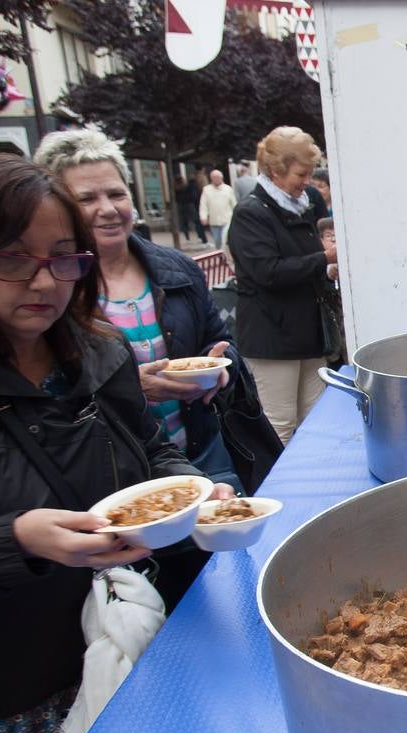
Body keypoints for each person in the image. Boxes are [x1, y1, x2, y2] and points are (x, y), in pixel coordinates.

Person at [0, 155, 232, 733]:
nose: (44, 283)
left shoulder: (97, 349)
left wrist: (195, 491)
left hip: (82, 640)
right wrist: (12, 539)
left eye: (62, 259)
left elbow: (145, 444)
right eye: (12, 260)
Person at [34, 128, 248, 606]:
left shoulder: (175, 268)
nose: (107, 208)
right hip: (111, 484)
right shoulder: (49, 291)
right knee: (139, 605)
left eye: (116, 193)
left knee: (217, 584)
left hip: (192, 450)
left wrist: (219, 369)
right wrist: (134, 385)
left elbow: (223, 341)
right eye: (86, 197)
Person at [227, 126, 333, 445]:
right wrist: (324, 259)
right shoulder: (250, 213)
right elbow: (268, 272)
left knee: (316, 419)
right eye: (301, 174)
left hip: (305, 333)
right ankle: (280, 493)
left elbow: (301, 262)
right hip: (272, 337)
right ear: (275, 170)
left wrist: (326, 271)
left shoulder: (296, 206)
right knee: (280, 425)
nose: (307, 182)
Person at [316, 216, 345, 367]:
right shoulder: (318, 268)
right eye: (328, 235)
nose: (333, 239)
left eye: (336, 234)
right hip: (330, 336)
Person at [199, 168, 236, 250]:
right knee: (217, 241)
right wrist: (203, 216)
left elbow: (234, 204)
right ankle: (220, 255)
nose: (216, 179)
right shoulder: (206, 190)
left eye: (217, 177)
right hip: (214, 220)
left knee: (225, 240)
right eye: (214, 177)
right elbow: (203, 205)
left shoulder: (228, 189)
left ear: (221, 178)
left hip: (227, 219)